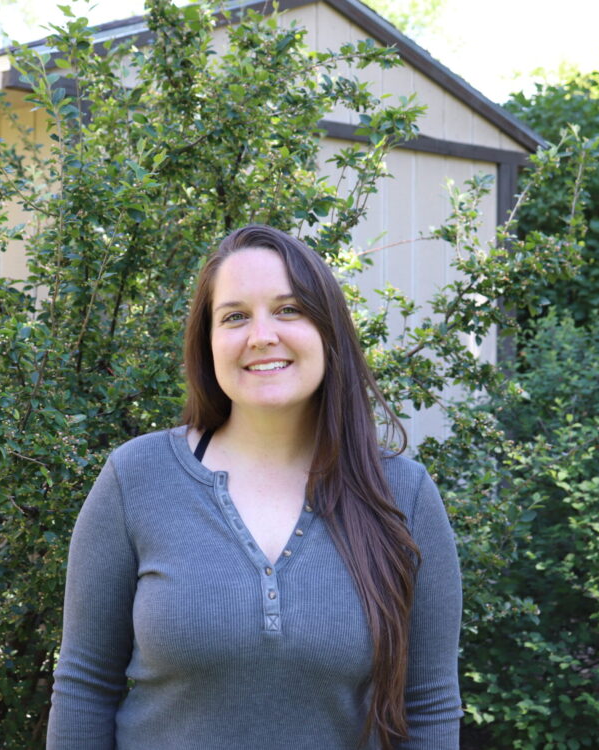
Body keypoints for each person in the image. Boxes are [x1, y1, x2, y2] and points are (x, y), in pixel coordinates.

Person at [46, 224, 462, 749]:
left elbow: (428, 704)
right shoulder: (136, 478)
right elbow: (85, 685)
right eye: (235, 316)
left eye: (289, 309)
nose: (261, 335)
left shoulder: (404, 495)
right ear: (209, 342)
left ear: (329, 332)